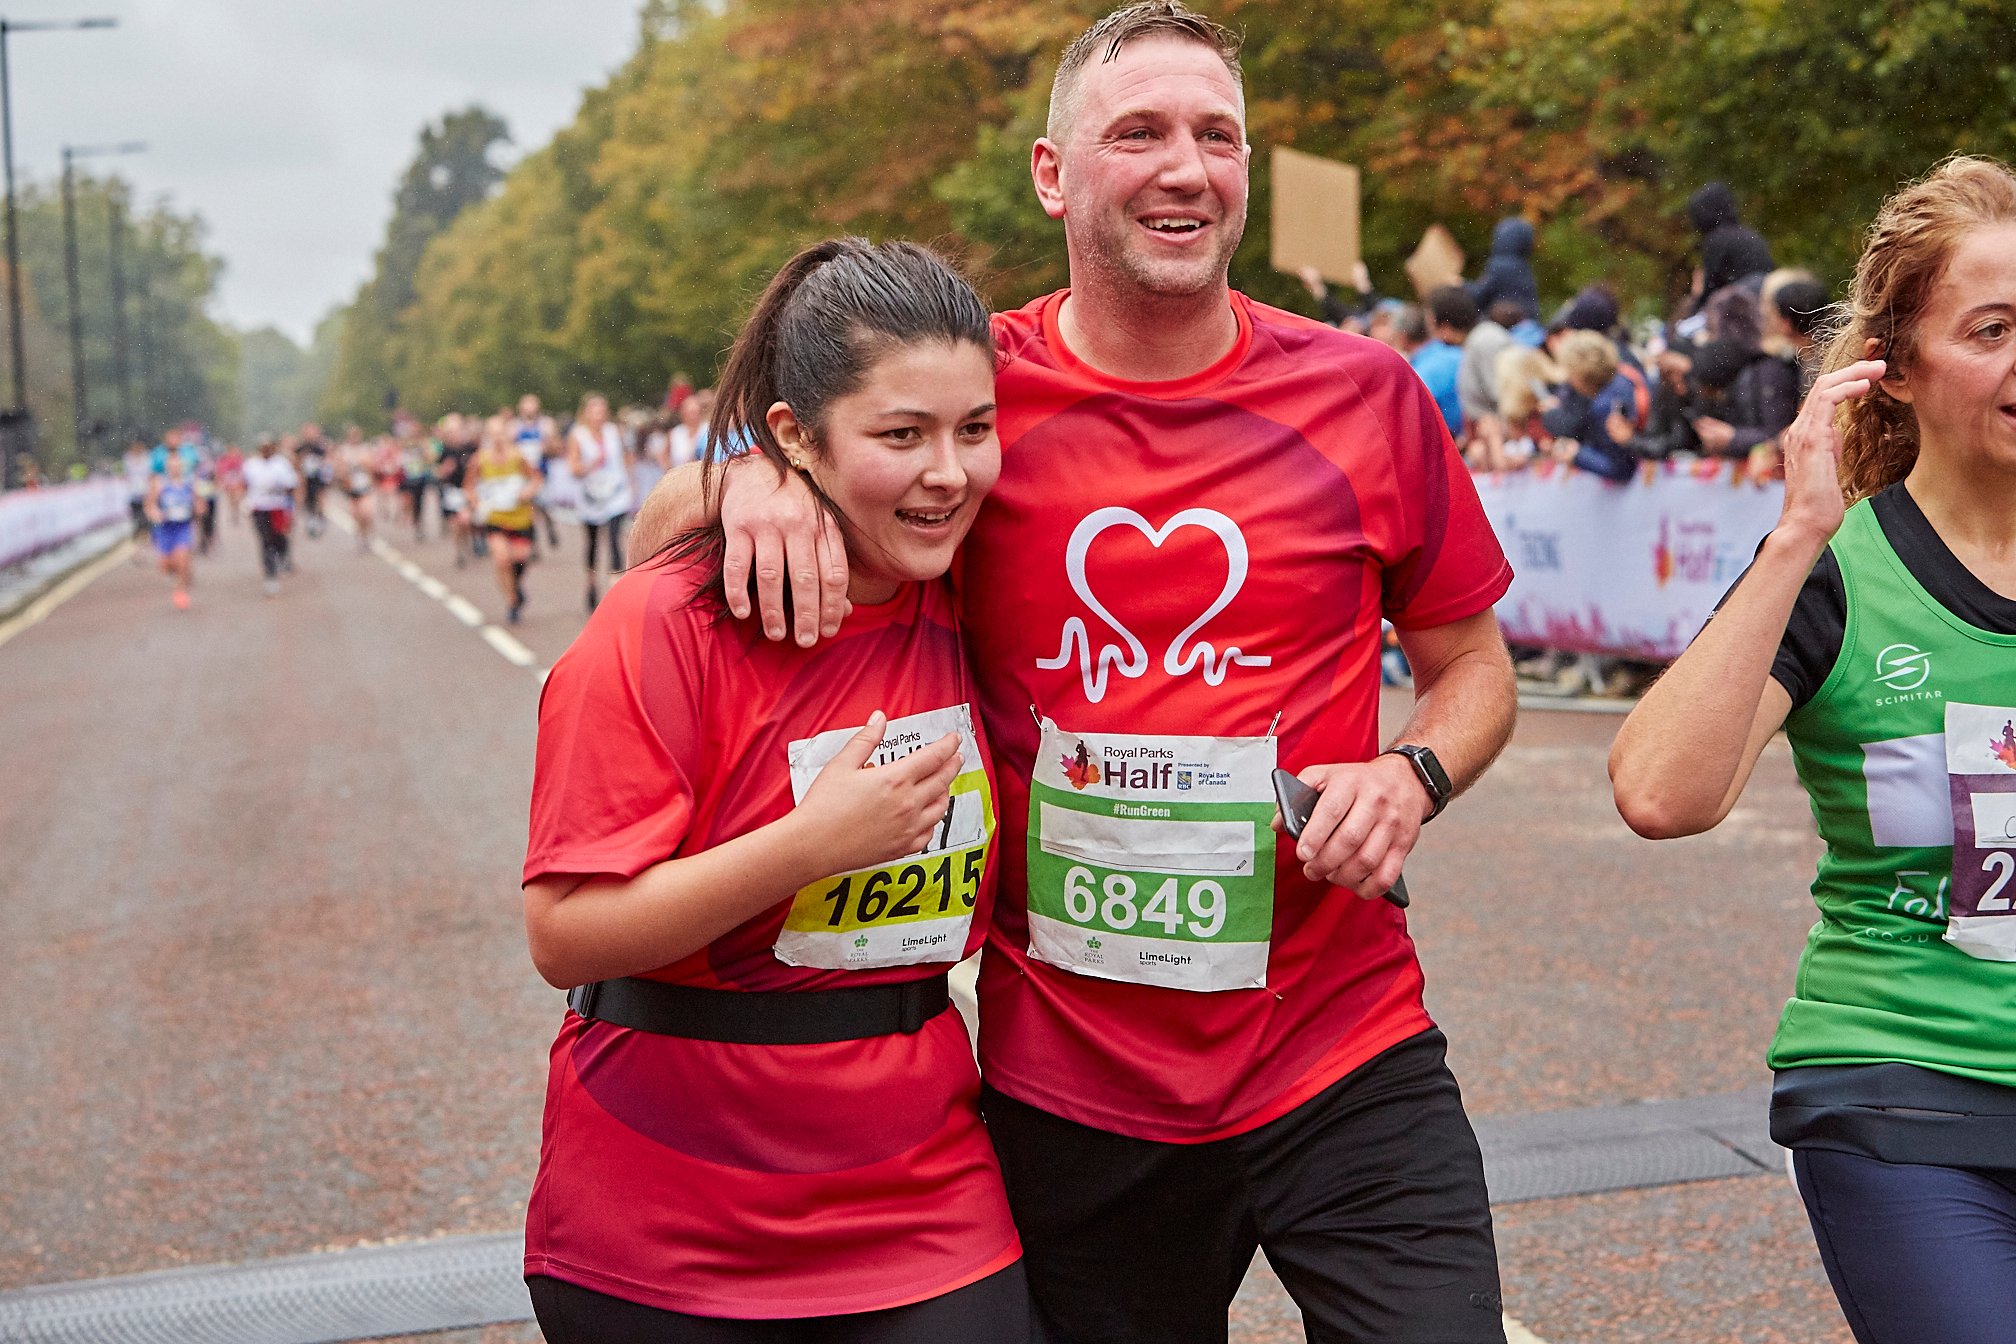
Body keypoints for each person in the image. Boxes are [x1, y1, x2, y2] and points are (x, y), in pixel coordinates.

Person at [630, 7, 1519, 1341]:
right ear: (1054, 174)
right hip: (1074, 1080)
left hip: (1341, 1044)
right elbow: (661, 541)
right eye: (1138, 133)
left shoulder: (1367, 394)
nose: (1185, 169)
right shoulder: (976, 398)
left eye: (1216, 136)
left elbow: (1476, 670)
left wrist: (1415, 771)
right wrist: (752, 477)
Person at [521, 237, 1032, 1343]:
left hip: (924, 1202)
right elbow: (564, 935)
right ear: (796, 436)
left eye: (974, 429)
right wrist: (811, 846)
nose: (949, 472)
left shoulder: (976, 584)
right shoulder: (664, 622)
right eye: (901, 435)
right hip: (663, 1223)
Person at [1611, 155, 2016, 1344]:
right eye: (1992, 329)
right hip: (1904, 1098)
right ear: (1895, 365)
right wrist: (1795, 534)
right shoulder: (1844, 572)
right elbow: (1657, 793)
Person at [565, 392, 635, 612]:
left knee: (615, 540)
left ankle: (617, 590)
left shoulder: (614, 432)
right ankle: (591, 584)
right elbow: (574, 469)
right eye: (594, 412)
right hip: (591, 496)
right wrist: (591, 464)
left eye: (602, 412)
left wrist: (630, 479)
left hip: (615, 494)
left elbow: (625, 457)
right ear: (586, 413)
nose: (598, 417)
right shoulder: (578, 435)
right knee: (593, 544)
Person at [471, 415, 539, 623]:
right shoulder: (480, 459)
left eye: (501, 433)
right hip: (496, 517)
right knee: (502, 559)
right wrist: (476, 503)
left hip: (520, 517)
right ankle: (511, 601)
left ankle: (516, 587)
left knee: (520, 559)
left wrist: (528, 491)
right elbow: (469, 486)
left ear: (508, 434)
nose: (498, 438)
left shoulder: (518, 457)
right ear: (488, 436)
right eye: (493, 434)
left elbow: (536, 478)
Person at [241, 434, 299, 596]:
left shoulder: (281, 464)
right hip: (259, 508)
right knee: (265, 540)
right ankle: (270, 574)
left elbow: (291, 485)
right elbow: (245, 484)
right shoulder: (251, 465)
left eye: (268, 447)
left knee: (278, 537)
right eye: (263, 448)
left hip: (278, 507)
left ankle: (282, 556)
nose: (265, 451)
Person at [1415, 285, 1473, 437]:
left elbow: (1415, 405)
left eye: (1429, 320)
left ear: (1444, 326)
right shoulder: (1477, 347)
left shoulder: (1440, 360)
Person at [145, 449, 197, 609]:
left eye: (177, 466)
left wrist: (198, 509)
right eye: (171, 466)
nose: (175, 468)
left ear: (182, 467)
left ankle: (180, 592)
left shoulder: (189, 483)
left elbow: (199, 504)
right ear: (167, 467)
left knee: (181, 558)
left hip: (183, 527)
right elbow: (150, 506)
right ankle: (183, 573)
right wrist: (156, 514)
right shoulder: (160, 484)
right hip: (165, 530)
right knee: (166, 567)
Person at [1466, 216, 1539, 319]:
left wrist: (1459, 285)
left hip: (1502, 323)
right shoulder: (1523, 267)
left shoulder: (1501, 265)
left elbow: (1479, 295)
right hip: (1521, 323)